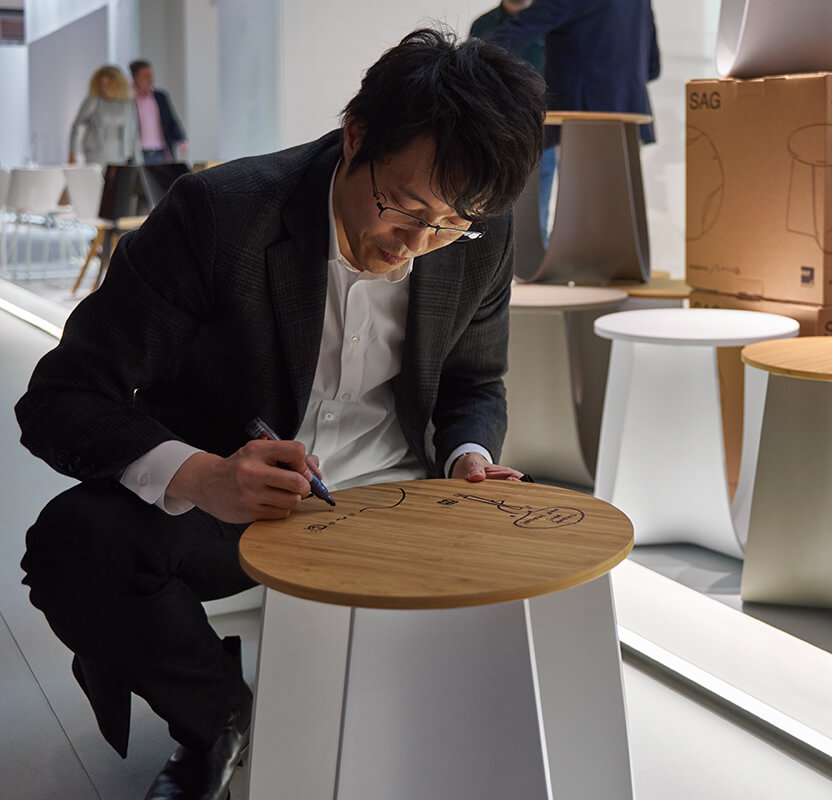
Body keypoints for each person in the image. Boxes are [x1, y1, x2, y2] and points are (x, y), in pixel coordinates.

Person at [16, 28, 545, 800]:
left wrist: (468, 456)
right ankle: (219, 719)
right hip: (242, 507)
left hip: (399, 505)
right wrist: (202, 475)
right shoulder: (221, 216)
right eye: (404, 208)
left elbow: (474, 381)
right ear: (355, 137)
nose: (417, 244)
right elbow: (60, 398)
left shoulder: (478, 232)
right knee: (74, 544)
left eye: (448, 225)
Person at [486, 0, 661, 147]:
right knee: (623, 180)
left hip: (582, 117)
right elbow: (653, 68)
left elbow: (520, 28)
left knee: (581, 179)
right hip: (633, 116)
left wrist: (474, 58)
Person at [471, 0, 557, 239]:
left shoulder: (550, 24)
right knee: (487, 208)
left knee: (536, 213)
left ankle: (535, 258)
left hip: (540, 133)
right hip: (492, 133)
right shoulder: (482, 25)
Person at [68, 65, 140, 166]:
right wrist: (72, 153)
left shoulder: (127, 103)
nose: (104, 88)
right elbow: (77, 126)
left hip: (121, 155)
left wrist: (138, 160)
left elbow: (134, 132)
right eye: (102, 84)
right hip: (96, 154)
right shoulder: (93, 100)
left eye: (108, 84)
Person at [129, 59, 188, 164]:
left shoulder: (160, 97)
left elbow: (171, 121)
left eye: (150, 75)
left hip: (161, 152)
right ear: (135, 77)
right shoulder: (128, 99)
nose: (150, 79)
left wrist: (181, 139)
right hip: (139, 153)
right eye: (145, 76)